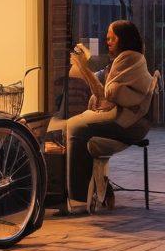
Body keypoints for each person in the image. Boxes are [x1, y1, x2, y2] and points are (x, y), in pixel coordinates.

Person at [58, 19, 153, 215]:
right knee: (72, 128)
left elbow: (105, 94)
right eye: (107, 38)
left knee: (74, 127)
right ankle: (96, 188)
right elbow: (102, 82)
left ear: (123, 39)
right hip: (128, 119)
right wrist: (83, 67)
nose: (107, 41)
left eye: (112, 38)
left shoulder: (129, 57)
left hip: (129, 123)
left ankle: (78, 199)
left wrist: (83, 66)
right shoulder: (123, 60)